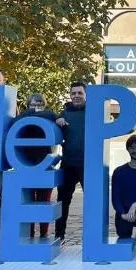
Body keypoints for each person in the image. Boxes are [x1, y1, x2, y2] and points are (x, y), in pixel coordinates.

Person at [11, 93, 58, 239]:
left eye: (39, 105)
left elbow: (51, 115)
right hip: (26, 165)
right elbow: (16, 121)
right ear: (27, 106)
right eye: (33, 105)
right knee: (28, 202)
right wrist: (31, 112)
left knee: (44, 201)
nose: (36, 108)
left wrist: (37, 112)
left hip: (44, 165)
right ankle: (28, 233)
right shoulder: (23, 118)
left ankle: (44, 233)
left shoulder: (48, 115)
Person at [54, 81, 87, 242]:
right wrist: (58, 120)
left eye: (80, 93)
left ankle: (92, 236)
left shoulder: (94, 113)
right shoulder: (64, 114)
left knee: (92, 202)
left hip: (89, 165)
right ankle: (59, 235)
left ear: (85, 95)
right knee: (63, 201)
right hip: (68, 164)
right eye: (73, 93)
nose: (76, 96)